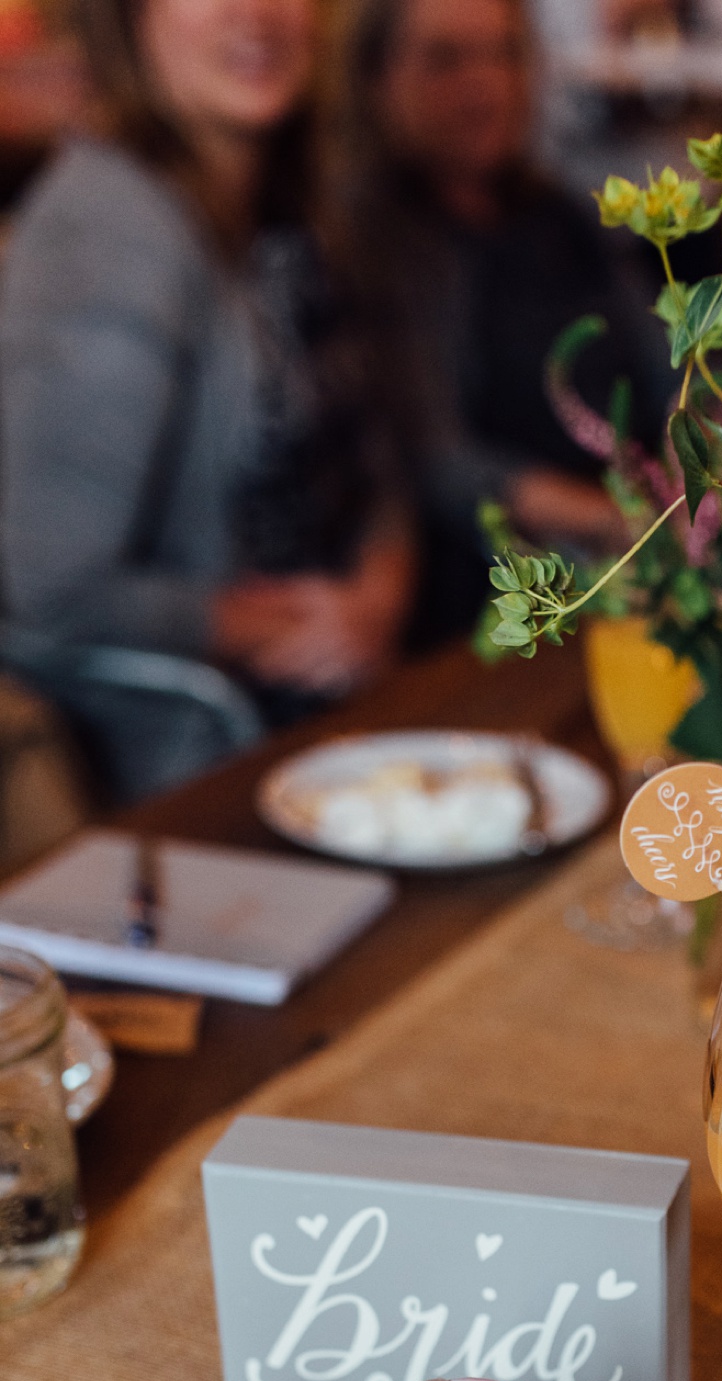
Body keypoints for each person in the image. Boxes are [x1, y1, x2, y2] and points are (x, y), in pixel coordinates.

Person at [0, 0, 409, 801]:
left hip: (360, 716)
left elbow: (376, 451)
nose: (255, 13)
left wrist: (378, 594)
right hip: (208, 763)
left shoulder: (294, 196)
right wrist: (299, 627)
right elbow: (53, 585)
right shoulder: (108, 232)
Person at [331, 0, 671, 646]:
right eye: (446, 60)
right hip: (499, 595)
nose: (487, 83)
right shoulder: (374, 245)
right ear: (375, 80)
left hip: (644, 549)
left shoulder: (561, 212)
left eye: (505, 53)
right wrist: (617, 524)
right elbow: (439, 460)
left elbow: (667, 366)